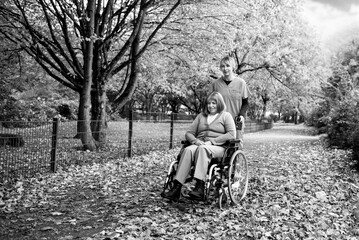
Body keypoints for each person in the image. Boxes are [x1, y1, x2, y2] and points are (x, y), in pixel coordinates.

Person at [161, 92, 236, 201]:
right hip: (200, 144)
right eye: (209, 103)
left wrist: (212, 142)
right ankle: (176, 188)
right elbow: (189, 133)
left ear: (219, 103)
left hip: (218, 147)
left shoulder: (226, 116)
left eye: (214, 103)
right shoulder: (201, 116)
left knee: (203, 149)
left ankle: (199, 186)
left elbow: (231, 134)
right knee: (187, 150)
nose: (211, 106)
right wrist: (196, 141)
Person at [209, 56, 250, 141]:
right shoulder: (215, 84)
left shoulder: (241, 83)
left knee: (236, 146)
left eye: (228, 66)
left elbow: (245, 103)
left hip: (236, 121)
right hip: (220, 122)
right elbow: (210, 103)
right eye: (222, 66)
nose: (225, 68)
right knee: (219, 147)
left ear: (233, 67)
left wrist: (242, 115)